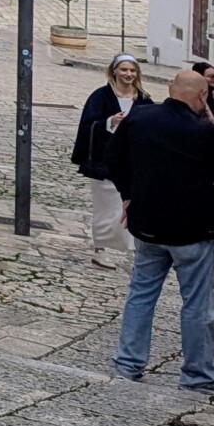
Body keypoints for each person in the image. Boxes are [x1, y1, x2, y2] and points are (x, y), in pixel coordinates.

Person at [105, 66, 214, 393]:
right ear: (201, 97)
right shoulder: (203, 132)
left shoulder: (139, 118)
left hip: (148, 227)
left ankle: (128, 363)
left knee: (141, 295)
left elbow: (112, 157)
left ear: (171, 89)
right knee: (198, 304)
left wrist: (128, 194)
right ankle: (197, 374)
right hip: (193, 231)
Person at [71, 55, 148, 268]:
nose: (128, 74)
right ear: (114, 71)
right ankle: (99, 250)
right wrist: (108, 122)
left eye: (132, 70)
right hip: (104, 163)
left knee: (131, 207)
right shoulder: (100, 97)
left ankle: (132, 251)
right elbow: (87, 126)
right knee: (106, 208)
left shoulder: (142, 99)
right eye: (124, 70)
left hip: (132, 164)